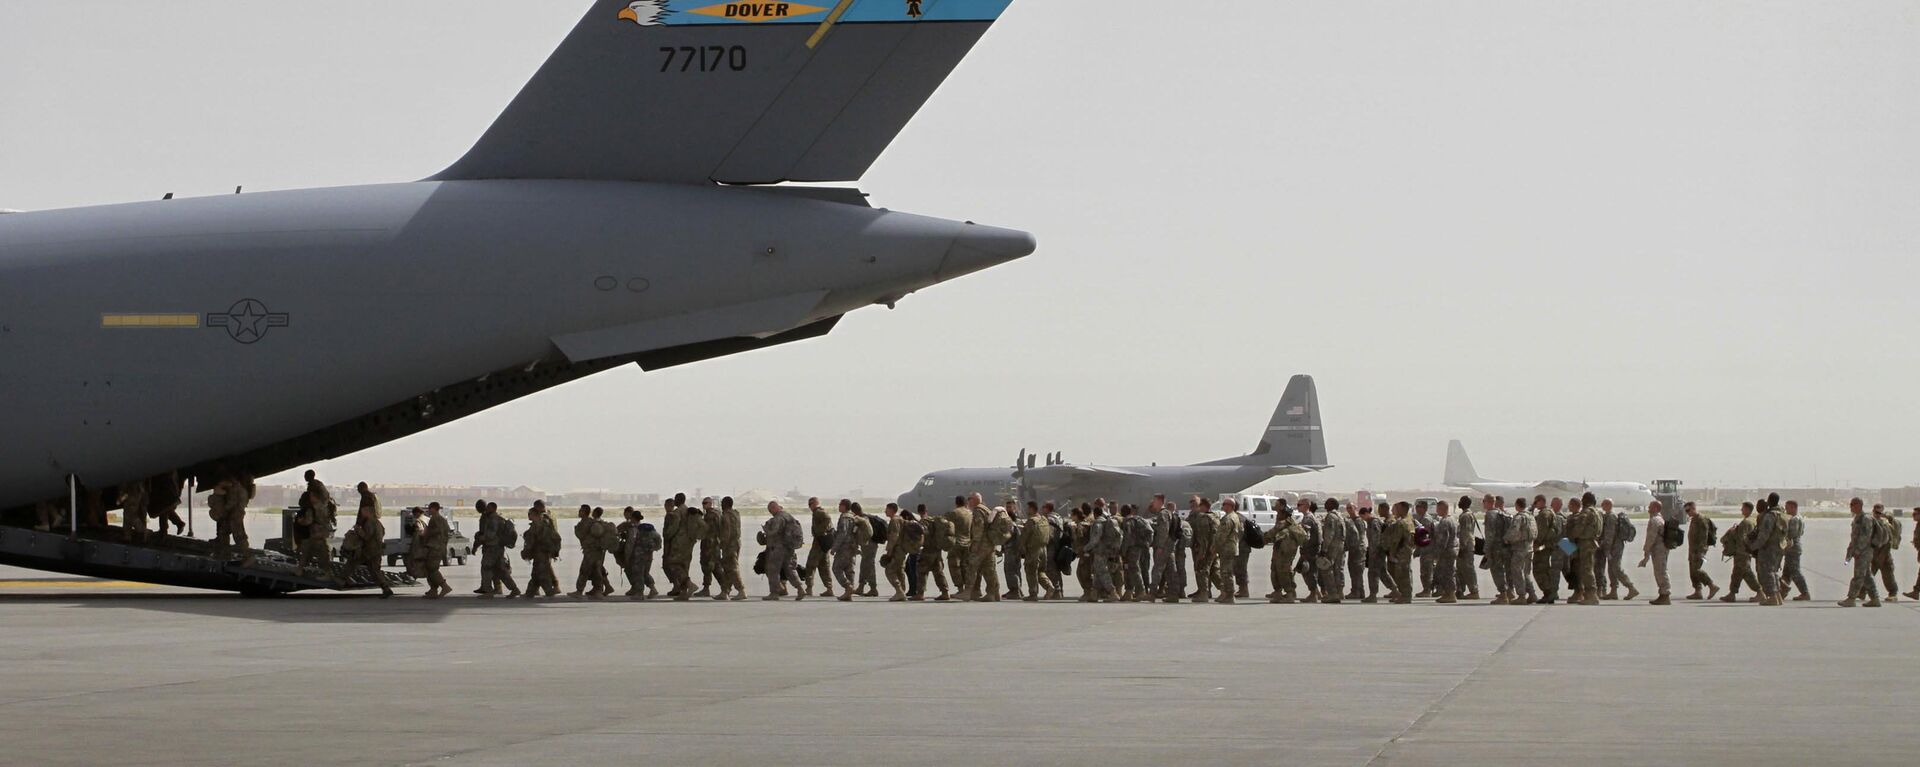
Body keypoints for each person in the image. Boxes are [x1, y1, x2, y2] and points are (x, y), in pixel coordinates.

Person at [343, 486, 393, 598]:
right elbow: (382, 533)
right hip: (377, 549)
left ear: (367, 511)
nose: (361, 513)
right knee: (374, 570)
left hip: (370, 550)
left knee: (352, 562)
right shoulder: (378, 523)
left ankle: (343, 579)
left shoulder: (369, 523)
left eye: (363, 511)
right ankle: (385, 588)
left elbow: (367, 537)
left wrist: (358, 531)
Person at [472, 500, 521, 598]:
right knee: (501, 571)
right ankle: (514, 589)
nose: (487, 509)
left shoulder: (492, 520)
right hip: (498, 548)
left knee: (486, 568)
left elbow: (490, 535)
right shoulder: (498, 518)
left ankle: (488, 592)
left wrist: (479, 538)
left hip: (492, 548)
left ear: (494, 508)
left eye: (489, 508)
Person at [759, 501, 805, 601]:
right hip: (789, 547)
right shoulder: (788, 516)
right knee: (790, 569)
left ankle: (774, 593)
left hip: (778, 548)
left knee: (773, 570)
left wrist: (766, 530)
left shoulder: (778, 519)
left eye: (770, 510)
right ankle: (800, 588)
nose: (770, 512)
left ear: (774, 508)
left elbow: (773, 532)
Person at [1841, 498, 1882, 607]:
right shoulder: (1857, 518)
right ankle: (1875, 599)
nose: (1851, 507)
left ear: (1859, 505)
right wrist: (1850, 552)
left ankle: (1851, 598)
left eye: (1853, 504)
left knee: (1858, 575)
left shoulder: (1866, 518)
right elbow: (1854, 537)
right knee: (1867, 576)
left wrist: (1858, 550)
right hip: (1860, 551)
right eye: (1850, 504)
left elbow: (1865, 537)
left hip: (1864, 552)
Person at [1264, 508, 1309, 603]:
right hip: (1287, 550)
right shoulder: (1292, 523)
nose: (1277, 515)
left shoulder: (1283, 523)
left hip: (1284, 551)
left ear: (1283, 514)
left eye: (1278, 513)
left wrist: (1260, 540)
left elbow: (1270, 534)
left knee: (1283, 571)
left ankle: (1289, 594)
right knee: (1281, 570)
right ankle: (1283, 593)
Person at [1566, 493, 1602, 606]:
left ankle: (1592, 595)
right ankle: (1587, 593)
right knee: (1588, 568)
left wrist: (1570, 538)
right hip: (1592, 541)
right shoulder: (1597, 512)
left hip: (1585, 543)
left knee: (1586, 569)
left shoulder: (1586, 512)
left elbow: (1578, 529)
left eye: (1583, 499)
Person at [1720, 502, 1759, 603]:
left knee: (1747, 573)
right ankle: (1732, 594)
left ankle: (1760, 592)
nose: (1741, 510)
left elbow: (1742, 538)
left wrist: (1732, 532)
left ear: (1747, 509)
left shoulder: (1746, 522)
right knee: (1737, 574)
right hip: (1745, 551)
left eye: (1743, 508)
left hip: (1742, 552)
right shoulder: (1753, 521)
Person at [1748, 497, 1785, 605]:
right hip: (1779, 547)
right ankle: (1778, 596)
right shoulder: (1781, 514)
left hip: (1768, 548)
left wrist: (1754, 546)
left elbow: (1764, 535)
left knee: (1767, 572)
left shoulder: (1770, 516)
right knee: (1773, 572)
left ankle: (1773, 597)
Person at [521, 502, 562, 598]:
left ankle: (549, 590)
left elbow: (536, 538)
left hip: (542, 550)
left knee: (541, 573)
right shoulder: (547, 518)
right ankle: (531, 592)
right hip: (543, 550)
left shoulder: (543, 522)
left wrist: (527, 550)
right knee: (537, 572)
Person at [1603, 499, 1639, 601]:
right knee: (1611, 569)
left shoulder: (1611, 517)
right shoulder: (1610, 515)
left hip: (1615, 546)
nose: (1601, 505)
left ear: (1609, 505)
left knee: (1616, 568)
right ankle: (1613, 591)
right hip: (1615, 545)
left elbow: (1609, 535)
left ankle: (1631, 588)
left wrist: (1607, 548)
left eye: (1604, 504)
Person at [831, 500, 867, 602]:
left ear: (844, 506)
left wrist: (834, 548)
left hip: (845, 548)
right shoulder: (853, 517)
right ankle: (848, 594)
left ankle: (848, 587)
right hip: (853, 547)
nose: (838, 506)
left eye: (840, 505)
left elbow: (843, 534)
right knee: (849, 570)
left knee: (836, 568)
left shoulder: (845, 517)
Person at [1023, 502, 1059, 601]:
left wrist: (1021, 549)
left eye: (1028, 508)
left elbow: (1024, 537)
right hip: (1044, 549)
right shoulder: (1044, 519)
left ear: (1031, 509)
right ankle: (1049, 586)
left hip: (1033, 550)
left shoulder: (1031, 521)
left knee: (1031, 571)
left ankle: (1033, 594)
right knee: (1040, 571)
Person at [1211, 498, 1245, 604]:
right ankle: (1226, 593)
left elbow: (1222, 536)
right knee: (1225, 571)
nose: (1222, 506)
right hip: (1230, 547)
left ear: (1230, 506)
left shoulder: (1229, 518)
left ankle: (1230, 595)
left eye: (1224, 504)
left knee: (1226, 572)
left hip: (1227, 548)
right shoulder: (1235, 517)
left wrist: (1215, 547)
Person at [1532, 496, 1565, 604]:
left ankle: (1548, 592)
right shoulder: (1550, 513)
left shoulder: (1544, 514)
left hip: (1543, 546)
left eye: (1536, 502)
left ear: (1542, 502)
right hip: (1550, 546)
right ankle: (1549, 593)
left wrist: (1536, 543)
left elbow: (1541, 532)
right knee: (1545, 569)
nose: (1535, 504)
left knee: (1539, 569)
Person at [1636, 502, 1670, 605]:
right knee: (1660, 571)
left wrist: (1646, 552)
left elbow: (1651, 538)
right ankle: (1663, 594)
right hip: (1660, 549)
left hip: (1659, 549)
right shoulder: (1659, 519)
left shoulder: (1655, 520)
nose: (1648, 508)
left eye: (1650, 507)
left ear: (1655, 508)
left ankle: (1665, 595)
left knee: (1661, 571)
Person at [416, 502, 452, 598]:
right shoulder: (443, 519)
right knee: (430, 568)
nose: (428, 510)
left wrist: (425, 533)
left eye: (430, 508)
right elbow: (447, 531)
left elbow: (436, 531)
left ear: (434, 509)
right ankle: (433, 590)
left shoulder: (435, 519)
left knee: (432, 568)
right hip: (439, 547)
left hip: (435, 547)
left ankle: (444, 586)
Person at [572, 505, 608, 599]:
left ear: (584, 512)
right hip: (596, 550)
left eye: (581, 510)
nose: (579, 512)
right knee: (596, 570)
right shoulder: (592, 522)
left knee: (585, 570)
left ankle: (580, 591)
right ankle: (598, 590)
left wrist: (576, 529)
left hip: (591, 551)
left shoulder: (586, 523)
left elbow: (580, 535)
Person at [712, 496, 745, 601]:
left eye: (722, 503)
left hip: (729, 545)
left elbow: (727, 531)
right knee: (727, 568)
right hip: (736, 543)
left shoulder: (726, 516)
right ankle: (725, 591)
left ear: (725, 504)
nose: (721, 505)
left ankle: (741, 590)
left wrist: (722, 543)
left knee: (732, 568)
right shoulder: (736, 514)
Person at [1503, 497, 1535, 604]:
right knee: (1526, 572)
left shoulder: (1519, 517)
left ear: (1517, 505)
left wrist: (1507, 539)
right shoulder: (1530, 516)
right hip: (1529, 548)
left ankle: (1521, 596)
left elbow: (1514, 531)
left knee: (1517, 571)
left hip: (1520, 548)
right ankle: (1532, 594)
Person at [1684, 502, 1719, 600]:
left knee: (1696, 570)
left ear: (1694, 508)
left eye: (1688, 510)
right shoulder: (1694, 519)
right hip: (1692, 549)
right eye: (1686, 511)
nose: (1687, 513)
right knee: (1692, 571)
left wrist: (1701, 551)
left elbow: (1704, 537)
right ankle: (1697, 591)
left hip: (1699, 550)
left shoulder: (1701, 520)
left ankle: (1712, 585)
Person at [1316, 498, 1348, 604]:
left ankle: (1332, 594)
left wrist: (1324, 549)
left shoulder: (1331, 517)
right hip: (1340, 546)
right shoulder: (1340, 516)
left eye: (1327, 503)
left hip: (1332, 547)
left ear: (1332, 505)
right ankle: (1339, 592)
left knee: (1326, 569)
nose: (1325, 504)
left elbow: (1329, 534)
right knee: (1337, 569)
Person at [1186, 497, 1219, 602]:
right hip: (1212, 548)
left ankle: (1204, 594)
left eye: (1199, 505)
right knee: (1213, 571)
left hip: (1205, 549)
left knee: (1202, 570)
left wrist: (1202, 552)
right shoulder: (1214, 516)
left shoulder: (1204, 518)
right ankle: (1225, 591)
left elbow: (1204, 538)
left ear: (1203, 506)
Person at [918, 502, 952, 600]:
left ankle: (920, 593)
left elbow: (923, 534)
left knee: (921, 571)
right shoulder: (933, 520)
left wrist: (918, 546)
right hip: (937, 549)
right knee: (938, 571)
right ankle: (945, 592)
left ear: (919, 511)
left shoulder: (923, 522)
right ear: (926, 510)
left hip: (928, 550)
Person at [1382, 502, 1415, 603]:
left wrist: (1391, 552)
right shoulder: (1409, 521)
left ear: (1401, 510)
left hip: (1401, 552)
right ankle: (1405, 595)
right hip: (1407, 550)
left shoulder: (1402, 523)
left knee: (1402, 575)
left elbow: (1396, 540)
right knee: (1406, 573)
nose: (1393, 511)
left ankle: (1405, 596)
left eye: (1395, 509)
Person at [802, 497, 835, 598]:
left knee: (810, 565)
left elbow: (827, 518)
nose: (810, 506)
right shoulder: (819, 512)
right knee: (824, 566)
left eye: (810, 504)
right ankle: (829, 588)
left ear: (815, 503)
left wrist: (820, 532)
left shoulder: (818, 512)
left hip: (819, 543)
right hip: (823, 543)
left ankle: (809, 588)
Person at [1119, 503, 1151, 602]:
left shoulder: (1127, 521)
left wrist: (1123, 551)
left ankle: (1140, 591)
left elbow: (1127, 537)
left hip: (1132, 549)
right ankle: (1128, 592)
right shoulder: (1138, 519)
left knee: (1134, 568)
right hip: (1139, 547)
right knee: (1128, 569)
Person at [1161, 501, 1191, 604]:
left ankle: (1171, 590)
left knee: (1171, 570)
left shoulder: (1170, 519)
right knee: (1181, 569)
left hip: (1173, 548)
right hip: (1182, 549)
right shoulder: (1183, 521)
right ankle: (1182, 590)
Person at [1430, 501, 1459, 603]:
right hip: (1453, 549)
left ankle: (1451, 594)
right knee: (1448, 572)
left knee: (1446, 573)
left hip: (1446, 551)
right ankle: (1447, 593)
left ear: (1443, 508)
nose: (1437, 511)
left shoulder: (1445, 522)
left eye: (1438, 509)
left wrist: (1437, 554)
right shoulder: (1453, 519)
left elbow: (1443, 540)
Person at [1781, 500, 1810, 601]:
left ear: (1793, 507)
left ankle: (1805, 593)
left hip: (1792, 547)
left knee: (1795, 572)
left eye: (1787, 507)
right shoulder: (1800, 518)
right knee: (1786, 573)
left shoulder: (1794, 519)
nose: (1786, 510)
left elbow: (1791, 535)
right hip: (1794, 546)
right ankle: (1782, 592)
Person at [1454, 497, 1480, 600]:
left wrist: (1462, 547)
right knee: (1460, 569)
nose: (1459, 503)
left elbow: (1465, 533)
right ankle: (1460, 590)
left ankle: (1474, 591)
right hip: (1467, 545)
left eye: (1461, 501)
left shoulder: (1465, 516)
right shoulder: (1468, 514)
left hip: (1466, 547)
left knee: (1468, 569)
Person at [883, 503, 910, 601]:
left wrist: (889, 551)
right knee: (899, 571)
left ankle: (899, 591)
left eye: (887, 509)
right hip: (902, 550)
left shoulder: (894, 521)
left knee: (889, 571)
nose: (885, 511)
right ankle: (902, 591)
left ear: (891, 510)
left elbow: (894, 537)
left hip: (897, 550)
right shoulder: (901, 519)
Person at [1871, 504, 1899, 602]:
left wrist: (1882, 556)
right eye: (1875, 512)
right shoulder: (1872, 522)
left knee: (1888, 576)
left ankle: (1893, 593)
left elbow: (1889, 542)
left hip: (1884, 554)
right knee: (1867, 574)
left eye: (1879, 513)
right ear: (1873, 511)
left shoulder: (1885, 524)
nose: (1877, 514)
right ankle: (1861, 592)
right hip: (1874, 553)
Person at [857, 502, 882, 597]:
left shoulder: (863, 520)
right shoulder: (865, 518)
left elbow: (868, 533)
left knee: (869, 566)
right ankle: (861, 586)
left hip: (869, 546)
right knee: (864, 565)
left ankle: (873, 588)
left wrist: (864, 542)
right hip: (868, 546)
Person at [901, 508, 926, 600]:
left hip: (915, 551)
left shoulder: (912, 524)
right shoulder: (914, 523)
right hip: (914, 550)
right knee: (909, 568)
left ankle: (915, 590)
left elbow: (920, 536)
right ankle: (912, 589)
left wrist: (915, 546)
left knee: (913, 570)